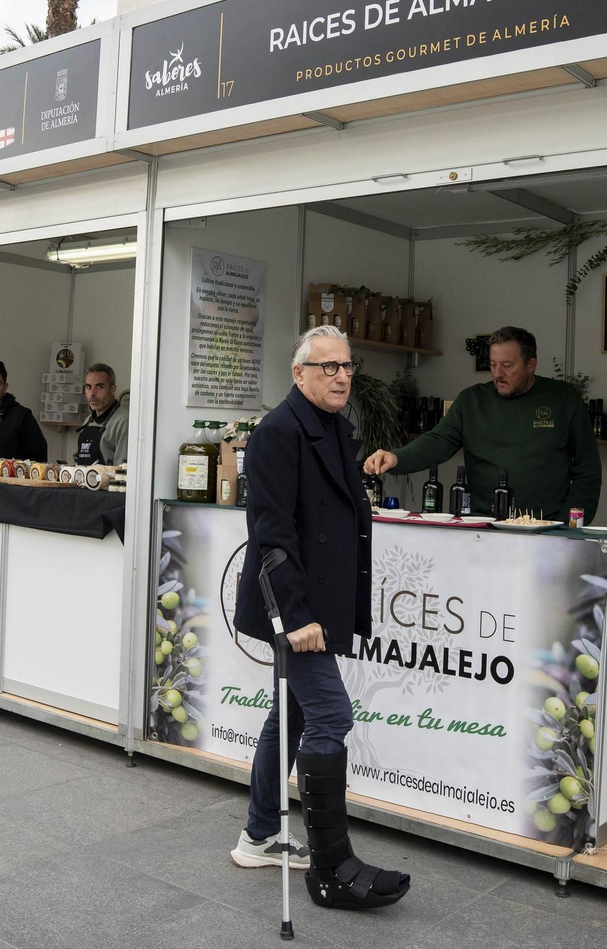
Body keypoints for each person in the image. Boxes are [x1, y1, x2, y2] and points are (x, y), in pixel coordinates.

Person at [230, 325, 410, 910]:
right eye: (327, 366)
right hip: (295, 608)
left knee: (291, 717)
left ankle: (258, 836)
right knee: (330, 713)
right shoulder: (278, 434)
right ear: (298, 372)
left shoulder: (335, 429)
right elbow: (272, 536)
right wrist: (297, 617)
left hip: (321, 605)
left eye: (347, 366)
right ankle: (330, 867)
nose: (341, 376)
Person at [362, 326, 601, 521]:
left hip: (547, 526)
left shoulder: (563, 399)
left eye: (507, 366)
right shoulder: (472, 400)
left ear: (531, 365)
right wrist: (396, 458)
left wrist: (569, 522)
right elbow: (437, 442)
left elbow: (587, 469)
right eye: (493, 364)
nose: (498, 373)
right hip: (483, 525)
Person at [74, 363, 129, 466]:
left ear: (112, 389)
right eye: (88, 387)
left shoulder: (123, 422)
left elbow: (122, 472)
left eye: (99, 387)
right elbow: (78, 461)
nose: (92, 394)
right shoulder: (88, 421)